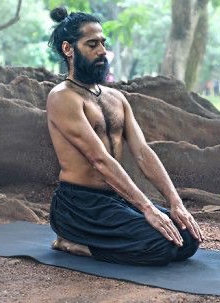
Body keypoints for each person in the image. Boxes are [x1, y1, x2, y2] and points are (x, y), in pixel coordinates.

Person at [46, 7, 203, 266]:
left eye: (103, 44)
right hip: (79, 206)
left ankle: (104, 238)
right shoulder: (63, 97)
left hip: (115, 200)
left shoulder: (116, 98)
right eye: (92, 44)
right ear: (68, 49)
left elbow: (142, 152)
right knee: (160, 247)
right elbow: (99, 160)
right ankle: (74, 244)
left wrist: (175, 203)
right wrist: (148, 208)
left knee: (186, 239)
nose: (101, 51)